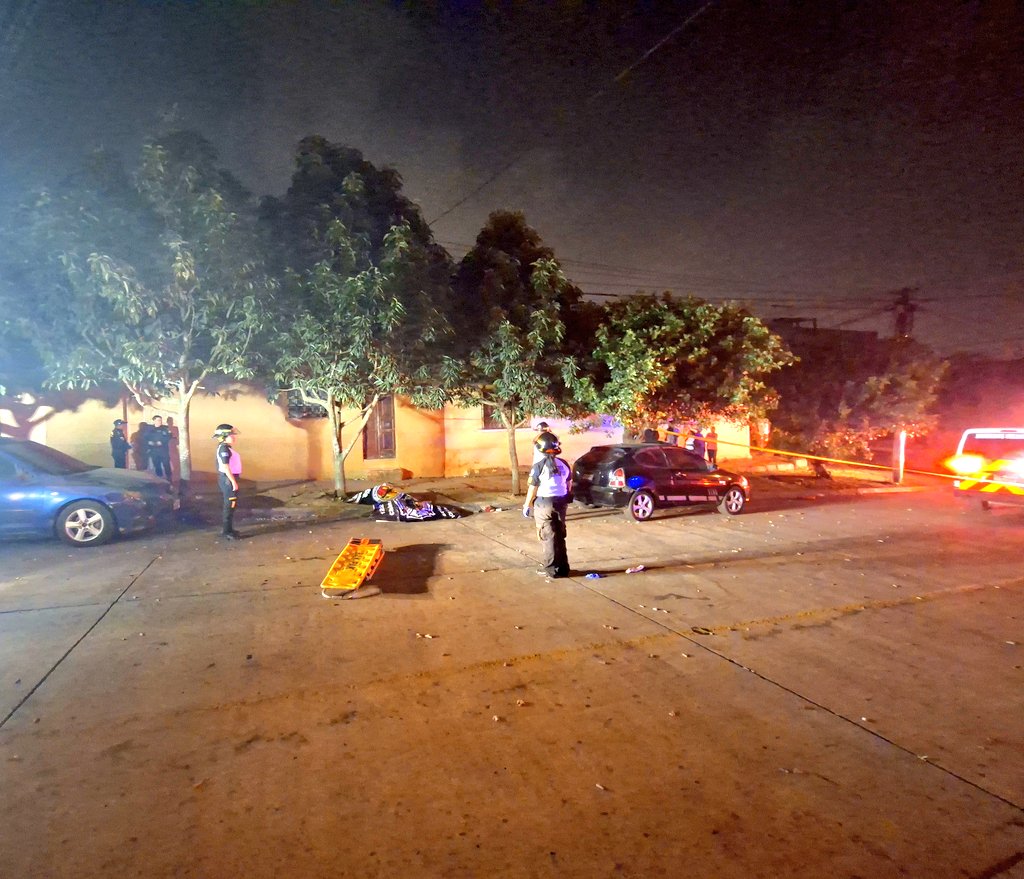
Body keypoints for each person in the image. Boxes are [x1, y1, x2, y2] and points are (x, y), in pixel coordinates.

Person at [522, 432, 572, 579]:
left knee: (548, 536)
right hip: (561, 502)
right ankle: (563, 568)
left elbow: (532, 488)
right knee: (560, 535)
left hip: (545, 503)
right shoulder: (564, 464)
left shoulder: (539, 466)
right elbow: (568, 484)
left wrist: (527, 505)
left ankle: (551, 569)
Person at [214, 423, 242, 540]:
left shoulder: (226, 448)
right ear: (224, 436)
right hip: (228, 479)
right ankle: (226, 532)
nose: (234, 437)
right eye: (231, 435)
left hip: (228, 479)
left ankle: (229, 529)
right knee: (229, 505)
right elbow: (226, 467)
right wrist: (233, 482)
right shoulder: (224, 449)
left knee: (231, 506)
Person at [148, 415, 173, 480]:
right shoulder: (150, 430)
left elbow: (169, 437)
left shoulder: (165, 429)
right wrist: (150, 443)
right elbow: (146, 439)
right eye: (158, 420)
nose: (160, 422)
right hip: (154, 451)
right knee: (157, 466)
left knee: (166, 465)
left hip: (163, 451)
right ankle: (160, 480)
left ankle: (169, 480)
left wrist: (162, 442)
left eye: (160, 420)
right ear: (154, 421)